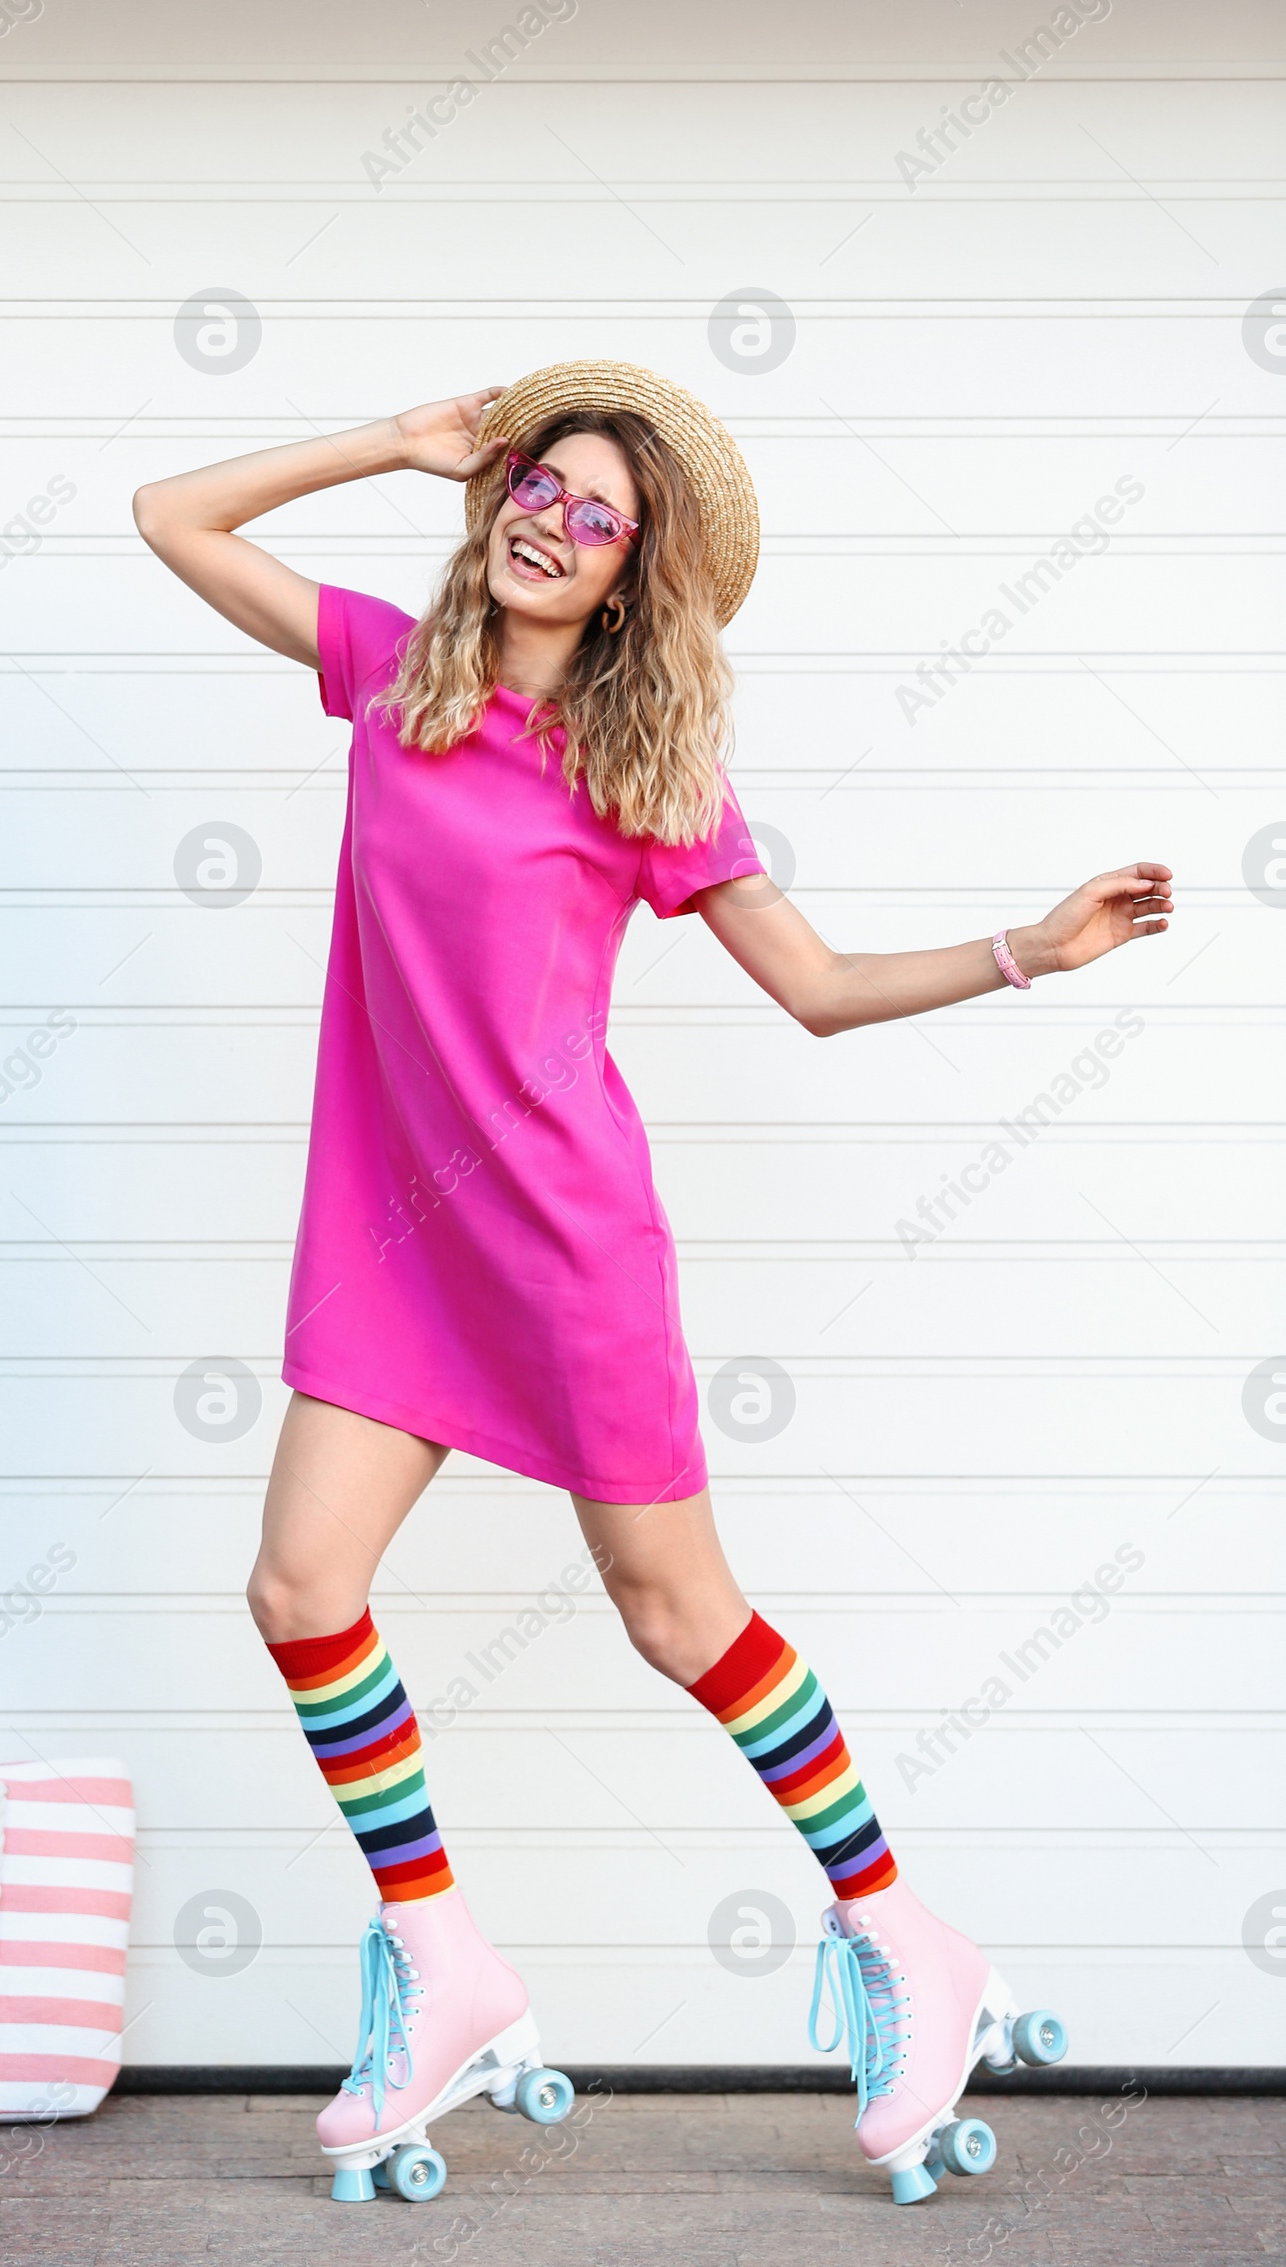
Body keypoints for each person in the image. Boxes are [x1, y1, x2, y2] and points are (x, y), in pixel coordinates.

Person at [133, 363, 1172, 2204]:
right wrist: (393, 440)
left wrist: (1033, 947)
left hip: (563, 1246)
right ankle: (445, 1957)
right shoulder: (390, 671)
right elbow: (173, 517)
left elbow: (824, 988)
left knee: (680, 1619)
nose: (552, 517)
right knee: (301, 1585)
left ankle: (908, 1940)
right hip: (394, 1241)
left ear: (633, 575)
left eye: (597, 513)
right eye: (539, 485)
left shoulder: (647, 773)